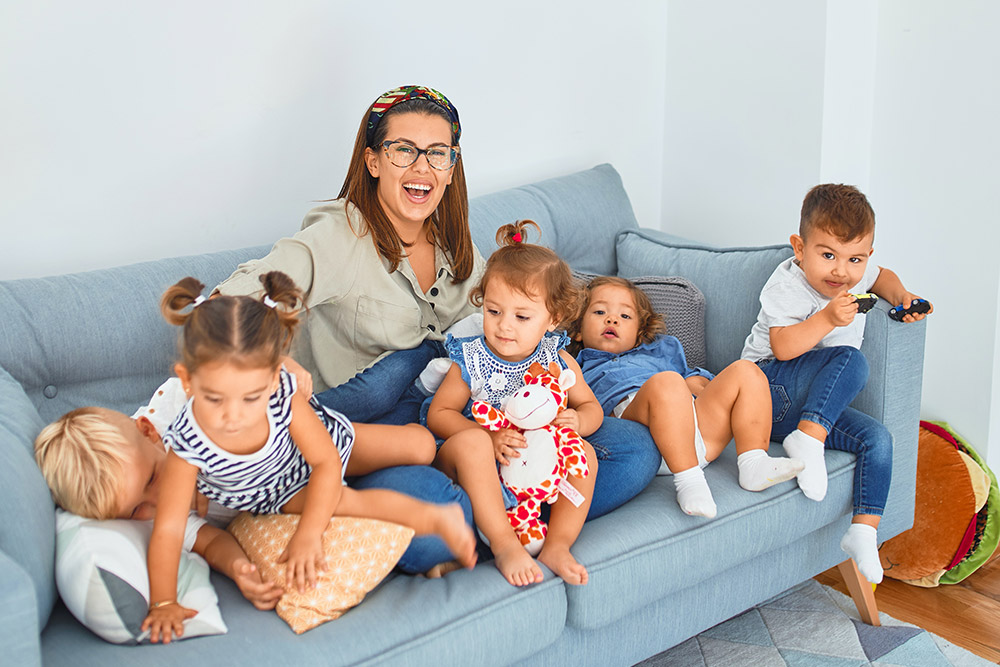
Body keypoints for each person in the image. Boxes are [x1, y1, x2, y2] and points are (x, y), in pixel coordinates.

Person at [213, 84, 662, 569]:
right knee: (435, 521)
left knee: (634, 450)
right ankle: (504, 519)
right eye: (403, 150)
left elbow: (521, 324)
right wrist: (274, 359)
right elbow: (222, 307)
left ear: (451, 168)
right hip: (370, 433)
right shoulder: (335, 237)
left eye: (437, 154)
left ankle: (502, 517)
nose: (421, 167)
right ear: (373, 161)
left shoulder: (456, 245)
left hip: (466, 420)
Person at [144, 272, 475, 643]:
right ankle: (435, 517)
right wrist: (162, 602)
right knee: (347, 501)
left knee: (420, 447)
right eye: (214, 399)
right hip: (278, 494)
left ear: (272, 381)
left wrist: (309, 533)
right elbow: (169, 530)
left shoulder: (282, 396)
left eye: (250, 398)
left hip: (321, 451)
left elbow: (325, 462)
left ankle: (429, 412)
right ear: (186, 381)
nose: (233, 416)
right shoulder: (186, 446)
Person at [741, 183, 932, 584]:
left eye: (854, 259)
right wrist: (827, 319)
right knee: (850, 359)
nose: (841, 271)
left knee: (878, 438)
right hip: (764, 394)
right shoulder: (787, 284)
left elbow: (884, 278)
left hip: (810, 407)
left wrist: (901, 297)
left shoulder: (857, 277)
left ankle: (863, 531)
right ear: (799, 248)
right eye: (827, 255)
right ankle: (807, 440)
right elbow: (783, 347)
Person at [426, 220, 601, 587]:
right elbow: (438, 414)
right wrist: (486, 437)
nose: (504, 326)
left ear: (552, 319)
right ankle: (505, 544)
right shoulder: (471, 359)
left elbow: (590, 407)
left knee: (584, 453)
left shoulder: (557, 360)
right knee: (473, 443)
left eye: (522, 317)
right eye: (493, 311)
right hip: (472, 459)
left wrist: (578, 422)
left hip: (530, 466)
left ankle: (558, 544)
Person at [570, 276, 803, 519]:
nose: (612, 319)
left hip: (696, 432)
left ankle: (753, 462)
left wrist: (698, 384)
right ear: (577, 330)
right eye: (599, 312)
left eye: (625, 316)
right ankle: (689, 481)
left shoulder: (662, 350)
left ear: (640, 332)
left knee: (746, 370)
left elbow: (694, 377)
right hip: (643, 439)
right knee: (667, 382)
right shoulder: (575, 366)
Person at [34, 401, 285, 614]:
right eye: (135, 509)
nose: (158, 500)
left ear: (148, 431)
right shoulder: (151, 521)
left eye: (152, 478)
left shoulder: (183, 411)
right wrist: (239, 568)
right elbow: (210, 543)